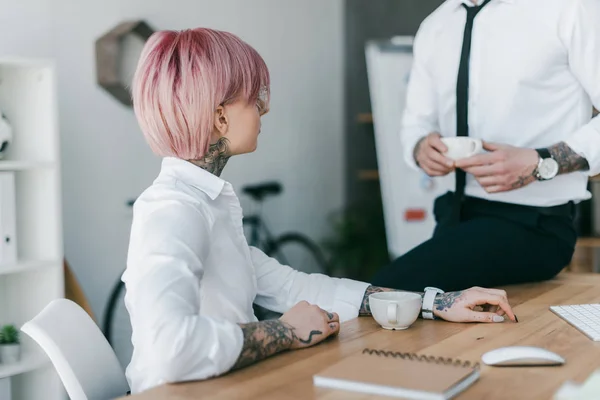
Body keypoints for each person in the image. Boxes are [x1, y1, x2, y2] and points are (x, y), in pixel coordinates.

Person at [123, 27, 517, 394]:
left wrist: (436, 302)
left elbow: (299, 287)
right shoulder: (172, 209)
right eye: (255, 98)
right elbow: (168, 349)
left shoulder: (209, 203)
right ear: (220, 115)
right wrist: (285, 332)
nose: (264, 110)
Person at [371, 0, 600, 292]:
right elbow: (415, 123)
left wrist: (541, 162)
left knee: (387, 292)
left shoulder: (569, 7)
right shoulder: (435, 26)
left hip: (535, 225)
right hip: (450, 219)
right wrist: (419, 147)